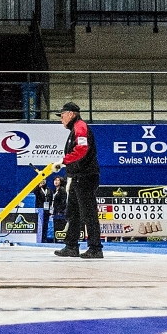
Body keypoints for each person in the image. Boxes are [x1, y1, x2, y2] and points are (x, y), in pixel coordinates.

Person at [55, 101, 103, 259]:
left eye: (62, 116)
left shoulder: (80, 127)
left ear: (71, 114)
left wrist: (64, 161)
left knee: (88, 212)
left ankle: (95, 248)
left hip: (85, 176)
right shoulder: (75, 128)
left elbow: (82, 149)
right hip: (78, 176)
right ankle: (71, 246)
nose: (61, 119)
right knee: (73, 212)